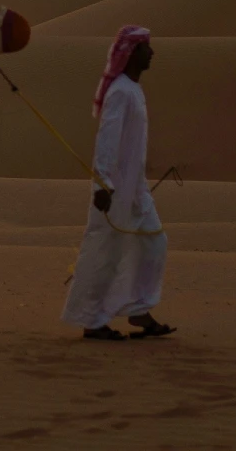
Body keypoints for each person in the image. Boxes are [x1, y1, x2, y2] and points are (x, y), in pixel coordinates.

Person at [60, 25, 176, 341]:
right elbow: (106, 140)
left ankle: (138, 310)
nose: (152, 52)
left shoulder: (134, 89)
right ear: (132, 53)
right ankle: (91, 321)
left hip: (134, 188)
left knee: (154, 242)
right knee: (105, 251)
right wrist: (102, 185)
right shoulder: (121, 91)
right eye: (146, 47)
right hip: (113, 189)